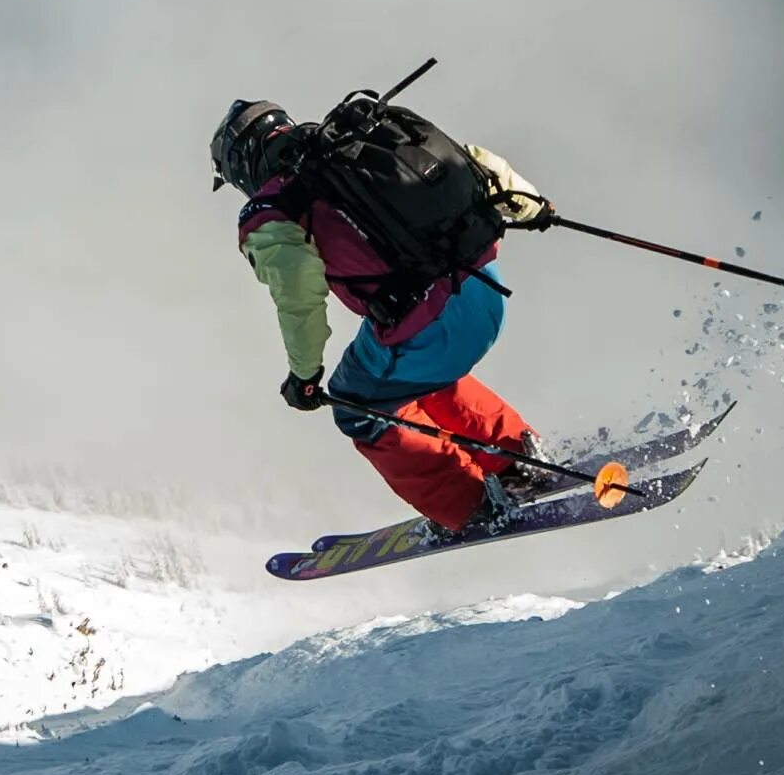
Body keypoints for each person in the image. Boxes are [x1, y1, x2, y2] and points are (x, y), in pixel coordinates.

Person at [211, 98, 556, 536]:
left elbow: (298, 292)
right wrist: (534, 206)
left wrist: (304, 374)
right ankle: (516, 457)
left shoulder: (272, 208)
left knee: (357, 403)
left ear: (242, 162)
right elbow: (471, 161)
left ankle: (469, 506)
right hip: (486, 289)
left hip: (431, 323)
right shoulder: (359, 142)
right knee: (405, 377)